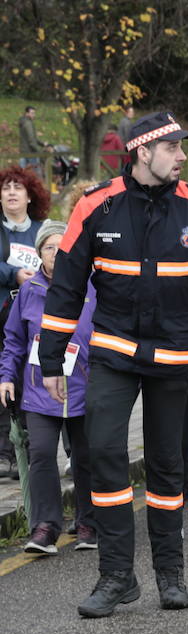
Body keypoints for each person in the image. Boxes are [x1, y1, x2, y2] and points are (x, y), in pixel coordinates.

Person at [40, 111, 188, 617]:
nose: (182, 156)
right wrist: (51, 360)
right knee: (105, 453)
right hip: (114, 354)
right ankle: (116, 576)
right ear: (142, 152)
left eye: (183, 148)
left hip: (177, 358)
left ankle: (169, 575)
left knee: (166, 467)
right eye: (173, 148)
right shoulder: (96, 206)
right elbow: (66, 287)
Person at [2, 220, 97, 554]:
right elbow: (13, 340)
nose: (57, 253)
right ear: (39, 253)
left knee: (85, 456)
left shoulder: (92, 287)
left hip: (83, 388)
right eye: (49, 247)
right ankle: (45, 526)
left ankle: (88, 521)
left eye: (63, 246)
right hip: (38, 389)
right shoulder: (28, 291)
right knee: (41, 454)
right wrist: (5, 378)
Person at [0, 166, 49, 480]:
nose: (12, 192)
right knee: (4, 381)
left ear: (31, 195)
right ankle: (4, 453)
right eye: (6, 188)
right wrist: (12, 274)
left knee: (32, 378)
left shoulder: (42, 230)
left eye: (18, 187)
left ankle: (33, 449)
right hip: (3, 312)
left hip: (35, 316)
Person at [18, 105, 44, 172]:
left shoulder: (23, 122)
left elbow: (32, 137)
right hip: (31, 152)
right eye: (32, 113)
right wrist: (37, 151)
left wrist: (42, 144)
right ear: (27, 113)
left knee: (21, 173)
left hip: (23, 151)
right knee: (37, 173)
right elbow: (31, 140)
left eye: (34, 113)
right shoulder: (28, 124)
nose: (34, 115)